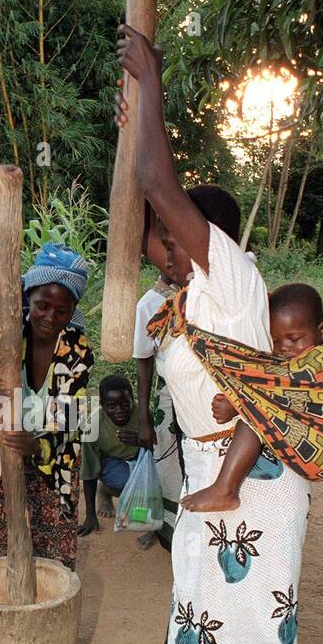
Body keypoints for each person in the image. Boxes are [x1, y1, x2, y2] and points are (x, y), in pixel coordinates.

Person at [115, 22, 310, 644]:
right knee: (213, 610)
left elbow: (158, 182)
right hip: (214, 469)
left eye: (167, 231)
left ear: (201, 238)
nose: (157, 241)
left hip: (250, 482)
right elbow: (147, 190)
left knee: (251, 621)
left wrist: (151, 86)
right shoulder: (187, 298)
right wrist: (136, 124)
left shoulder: (227, 273)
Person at [0, 242, 93, 571]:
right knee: (4, 540)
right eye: (42, 306)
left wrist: (37, 446)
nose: (50, 317)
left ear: (72, 310)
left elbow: (73, 416)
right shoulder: (0, 328)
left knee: (54, 547)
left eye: (61, 310)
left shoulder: (77, 349)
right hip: (2, 450)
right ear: (29, 297)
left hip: (55, 458)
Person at [181, 282, 323, 513]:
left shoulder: (319, 365)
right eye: (275, 341)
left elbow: (277, 397)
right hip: (302, 448)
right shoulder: (294, 363)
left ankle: (226, 490)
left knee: (251, 421)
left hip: (319, 443)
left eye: (294, 338)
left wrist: (239, 405)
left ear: (322, 332)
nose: (284, 348)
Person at [134, 218, 192, 551]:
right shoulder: (149, 304)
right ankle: (171, 532)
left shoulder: (201, 293)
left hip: (203, 397)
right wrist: (143, 417)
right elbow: (143, 362)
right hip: (168, 395)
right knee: (169, 463)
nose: (169, 259)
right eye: (162, 250)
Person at [78, 375, 141, 536]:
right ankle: (106, 490)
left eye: (125, 404)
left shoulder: (143, 413)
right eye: (111, 406)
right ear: (101, 405)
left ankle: (141, 512)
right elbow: (89, 472)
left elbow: (159, 447)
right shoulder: (93, 426)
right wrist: (90, 515)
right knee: (132, 481)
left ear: (132, 400)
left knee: (154, 480)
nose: (119, 410)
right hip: (112, 464)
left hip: (140, 459)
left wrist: (141, 440)